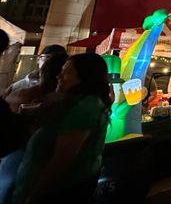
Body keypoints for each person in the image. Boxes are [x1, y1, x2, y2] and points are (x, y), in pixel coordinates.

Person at [8, 53, 112, 204]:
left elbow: (62, 159)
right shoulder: (74, 103)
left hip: (57, 193)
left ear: (84, 77)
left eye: (66, 73)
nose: (59, 77)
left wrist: (34, 196)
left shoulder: (86, 107)